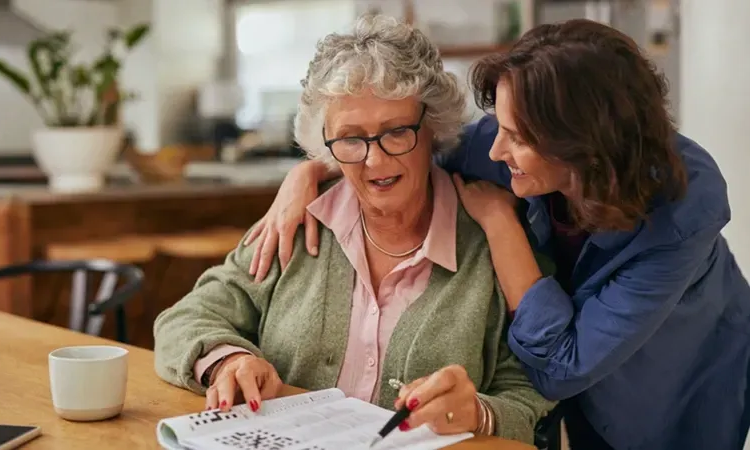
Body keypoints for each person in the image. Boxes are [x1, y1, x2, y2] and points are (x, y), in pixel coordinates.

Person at [244, 18, 750, 450]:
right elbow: (400, 149)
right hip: (569, 378)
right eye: (498, 125)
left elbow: (562, 366)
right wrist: (308, 173)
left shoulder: (683, 212)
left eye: (516, 138)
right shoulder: (510, 138)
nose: (493, 151)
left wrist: (499, 222)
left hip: (673, 385)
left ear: (581, 148)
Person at [154, 15, 554, 444]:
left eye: (396, 132)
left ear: (433, 126)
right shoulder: (296, 221)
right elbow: (187, 317)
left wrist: (478, 413)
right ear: (322, 142)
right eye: (350, 139)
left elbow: (532, 395)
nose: (375, 162)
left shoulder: (497, 243)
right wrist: (227, 360)